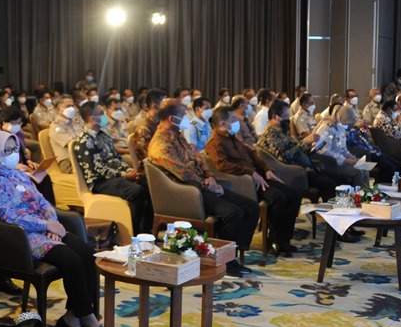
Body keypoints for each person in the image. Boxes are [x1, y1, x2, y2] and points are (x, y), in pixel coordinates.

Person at [0, 129, 103, 327]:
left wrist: (50, 224)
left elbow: (42, 201)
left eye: (14, 148)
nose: (12, 154)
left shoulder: (17, 173)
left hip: (43, 229)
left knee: (88, 254)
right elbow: (9, 217)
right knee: (72, 262)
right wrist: (46, 225)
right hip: (20, 237)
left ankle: (72, 317)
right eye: (6, 150)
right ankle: (88, 318)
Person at [148, 100, 260, 276]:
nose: (187, 119)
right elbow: (181, 173)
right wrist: (206, 184)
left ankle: (234, 252)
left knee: (251, 207)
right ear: (172, 118)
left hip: (203, 185)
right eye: (183, 115)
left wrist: (210, 176)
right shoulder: (160, 143)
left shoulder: (177, 135)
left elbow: (198, 158)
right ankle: (225, 262)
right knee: (232, 213)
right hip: (186, 192)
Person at [205, 107, 301, 257]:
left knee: (293, 195)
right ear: (222, 123)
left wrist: (266, 168)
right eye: (233, 120)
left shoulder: (233, 137)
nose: (238, 122)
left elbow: (253, 155)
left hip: (258, 176)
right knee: (278, 197)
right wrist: (250, 173)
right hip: (245, 182)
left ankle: (284, 239)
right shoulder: (214, 143)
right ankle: (273, 240)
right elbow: (222, 165)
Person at [71, 102, 150, 234]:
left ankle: (147, 229)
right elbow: (98, 170)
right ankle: (133, 231)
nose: (104, 116)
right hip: (100, 182)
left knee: (147, 182)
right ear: (91, 118)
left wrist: (128, 170)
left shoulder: (104, 135)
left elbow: (116, 159)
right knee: (136, 191)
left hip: (114, 177)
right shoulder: (85, 141)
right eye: (101, 114)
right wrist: (124, 176)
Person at [257, 100, 349, 203]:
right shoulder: (271, 136)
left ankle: (341, 210)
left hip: (306, 167)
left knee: (342, 179)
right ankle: (332, 214)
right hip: (296, 172)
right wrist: (304, 142)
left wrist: (313, 145)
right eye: (286, 116)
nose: (288, 119)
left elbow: (294, 148)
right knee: (330, 184)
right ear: (275, 117)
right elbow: (284, 157)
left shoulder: (282, 131)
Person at [129, 88, 167, 170]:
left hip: (164, 164)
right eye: (165, 104)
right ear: (155, 106)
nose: (168, 108)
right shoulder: (144, 129)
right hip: (152, 171)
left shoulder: (161, 123)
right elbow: (151, 158)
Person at [49, 94, 84, 173]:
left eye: (72, 106)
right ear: (58, 109)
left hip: (80, 157)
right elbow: (73, 145)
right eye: (68, 106)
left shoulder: (75, 121)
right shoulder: (56, 126)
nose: (71, 109)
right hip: (69, 162)